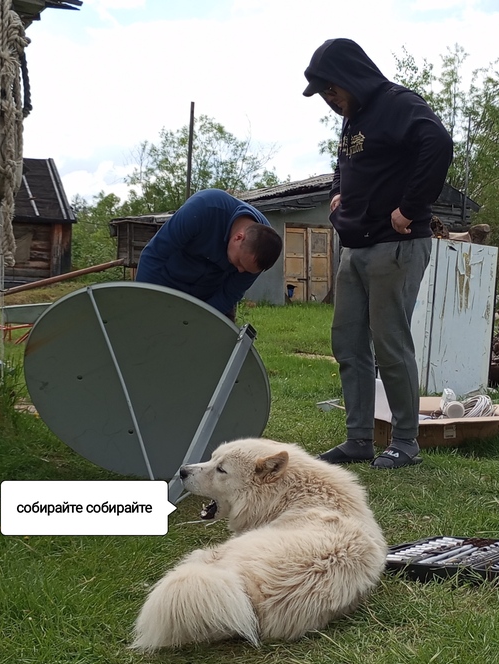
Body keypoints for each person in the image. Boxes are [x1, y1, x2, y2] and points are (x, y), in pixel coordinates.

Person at [302, 38, 453, 469]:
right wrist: (336, 193)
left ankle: (405, 441)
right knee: (348, 343)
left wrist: (411, 207)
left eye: (331, 89)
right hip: (356, 246)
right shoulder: (353, 119)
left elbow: (438, 143)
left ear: (350, 77)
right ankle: (359, 439)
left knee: (390, 343)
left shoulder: (397, 103)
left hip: (396, 245)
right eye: (324, 94)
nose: (330, 99)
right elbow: (344, 165)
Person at [135, 188, 283, 321]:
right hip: (169, 283)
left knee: (213, 339)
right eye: (239, 262)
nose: (239, 271)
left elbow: (229, 294)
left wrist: (196, 323)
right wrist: (144, 303)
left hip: (210, 294)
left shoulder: (263, 249)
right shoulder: (204, 208)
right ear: (238, 237)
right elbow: (154, 254)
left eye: (246, 271)